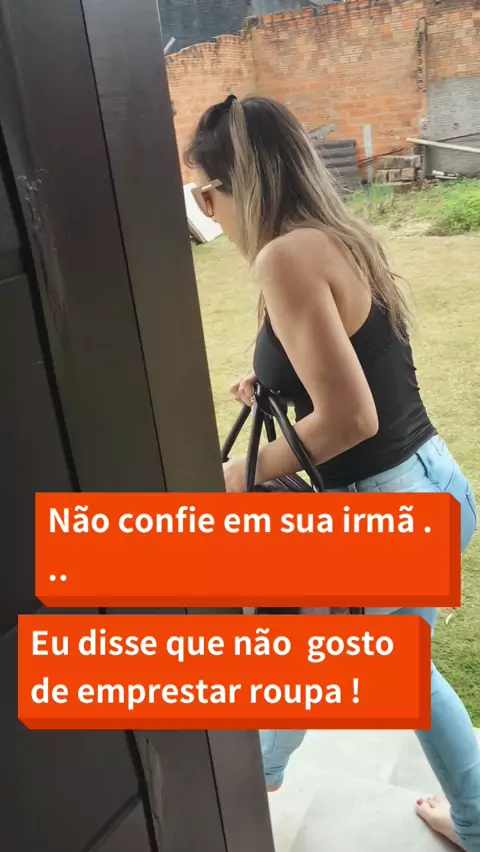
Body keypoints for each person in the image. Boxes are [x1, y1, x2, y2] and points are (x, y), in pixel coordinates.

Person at [185, 93, 479, 850]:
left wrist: (235, 475)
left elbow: (351, 418)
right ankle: (269, 769)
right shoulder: (334, 236)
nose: (208, 212)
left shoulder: (284, 256)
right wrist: (271, 381)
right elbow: (360, 361)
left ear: (227, 187)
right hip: (436, 480)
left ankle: (259, 779)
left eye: (203, 194)